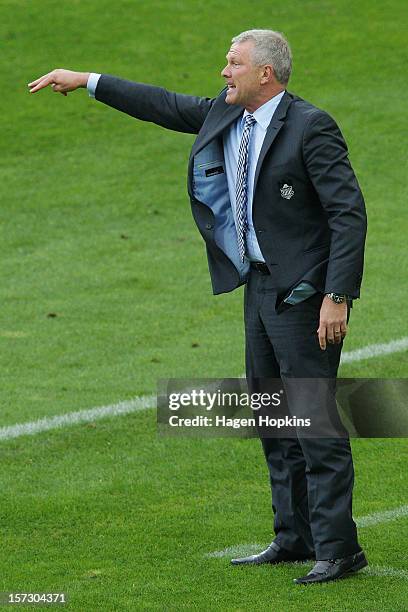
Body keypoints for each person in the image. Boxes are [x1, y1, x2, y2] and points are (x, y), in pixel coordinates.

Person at [28, 29, 368, 585]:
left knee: (313, 423)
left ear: (267, 73)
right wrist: (88, 81)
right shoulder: (225, 115)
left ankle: (339, 549)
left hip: (305, 296)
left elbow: (348, 214)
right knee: (273, 420)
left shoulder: (311, 127)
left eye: (233, 64)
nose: (223, 72)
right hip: (257, 289)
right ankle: (294, 537)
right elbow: (161, 104)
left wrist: (338, 295)